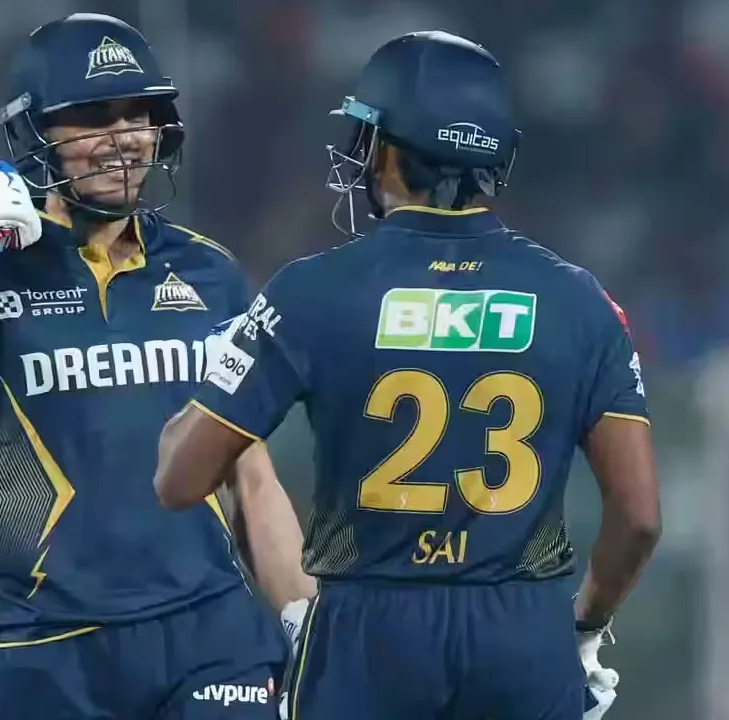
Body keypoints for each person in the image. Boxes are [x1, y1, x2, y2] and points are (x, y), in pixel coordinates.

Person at [154, 31, 661, 720]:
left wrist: (220, 381)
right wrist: (584, 625)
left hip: (366, 632)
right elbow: (638, 519)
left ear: (387, 149)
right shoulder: (580, 300)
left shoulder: (311, 291)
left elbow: (179, 480)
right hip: (523, 632)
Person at [0, 13, 312, 719]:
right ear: (34, 133)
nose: (125, 137)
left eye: (139, 114)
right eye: (93, 116)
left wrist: (306, 623)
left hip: (213, 638)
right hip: (52, 652)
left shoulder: (209, 274)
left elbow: (251, 476)